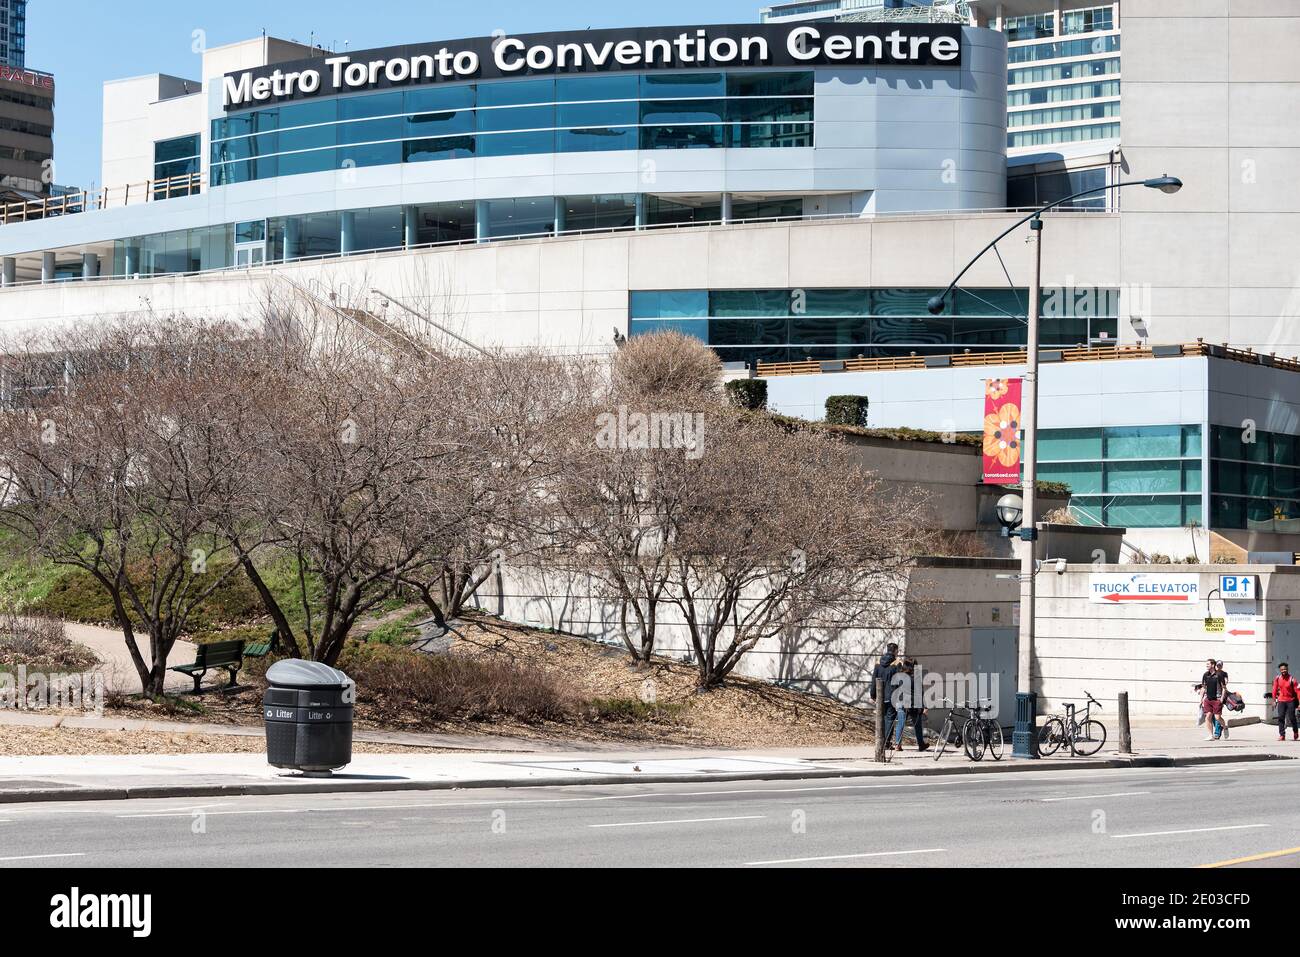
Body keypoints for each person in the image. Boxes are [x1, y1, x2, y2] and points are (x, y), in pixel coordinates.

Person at [892, 658, 929, 752]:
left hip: (901, 703)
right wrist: (924, 706)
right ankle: (921, 744)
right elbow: (920, 692)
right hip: (913, 704)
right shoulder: (916, 678)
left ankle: (897, 744)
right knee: (917, 725)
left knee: (900, 724)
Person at [871, 643, 900, 749]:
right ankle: (886, 743)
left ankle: (880, 741)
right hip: (892, 696)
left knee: (881, 719)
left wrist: (872, 694)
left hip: (880, 696)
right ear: (895, 651)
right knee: (890, 719)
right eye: (897, 651)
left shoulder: (878, 662)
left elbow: (874, 679)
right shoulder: (897, 663)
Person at [1198, 659, 1227, 742]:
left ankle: (1225, 727)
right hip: (1208, 699)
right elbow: (1203, 688)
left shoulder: (1219, 675)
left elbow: (1224, 688)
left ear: (1213, 665)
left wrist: (1221, 698)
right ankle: (1211, 735)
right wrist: (1201, 699)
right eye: (1206, 664)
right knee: (1208, 717)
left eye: (1208, 664)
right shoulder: (1205, 675)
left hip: (1217, 699)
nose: (1206, 665)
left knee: (1217, 717)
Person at [1273, 662, 1299, 742]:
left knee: (1292, 718)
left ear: (1287, 669)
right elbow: (1274, 689)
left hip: (1290, 701)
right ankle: (1282, 735)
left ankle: (1295, 732)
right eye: (1282, 669)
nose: (1283, 671)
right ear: (1280, 670)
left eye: (1285, 669)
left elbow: (1298, 692)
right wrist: (1274, 700)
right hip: (1281, 701)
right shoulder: (1277, 678)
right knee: (1281, 717)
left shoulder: (1292, 680)